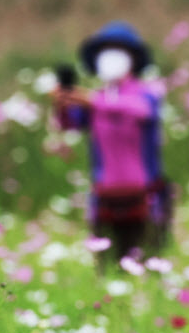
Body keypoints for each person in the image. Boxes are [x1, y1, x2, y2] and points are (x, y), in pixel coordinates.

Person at [52, 21, 172, 261]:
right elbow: (69, 124)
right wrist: (62, 103)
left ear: (133, 58)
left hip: (145, 198)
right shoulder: (95, 99)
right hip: (105, 200)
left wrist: (92, 100)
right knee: (107, 269)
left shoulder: (145, 94)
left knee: (146, 264)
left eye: (118, 51)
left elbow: (142, 111)